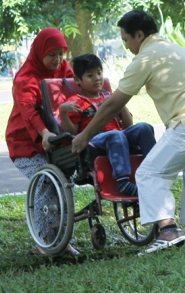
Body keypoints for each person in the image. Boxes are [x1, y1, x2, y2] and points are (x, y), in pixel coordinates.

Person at [71, 10, 185, 254]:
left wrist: (85, 135)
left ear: (139, 35)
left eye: (126, 40)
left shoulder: (146, 58)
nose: (126, 46)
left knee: (149, 173)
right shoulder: (176, 49)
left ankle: (168, 231)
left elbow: (113, 104)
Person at [5, 27, 77, 255]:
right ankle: (44, 240)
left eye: (61, 53)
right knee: (45, 181)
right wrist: (44, 133)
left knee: (65, 182)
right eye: (52, 55)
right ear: (39, 52)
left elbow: (74, 90)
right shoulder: (25, 78)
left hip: (57, 138)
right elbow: (28, 112)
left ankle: (63, 240)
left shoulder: (64, 69)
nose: (57, 60)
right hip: (25, 143)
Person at [59, 53, 156, 197]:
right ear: (77, 80)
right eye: (90, 75)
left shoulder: (109, 96)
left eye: (99, 73)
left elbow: (129, 125)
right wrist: (63, 113)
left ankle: (155, 171)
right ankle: (123, 182)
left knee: (144, 127)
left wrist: (118, 104)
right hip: (93, 140)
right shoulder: (76, 101)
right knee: (115, 135)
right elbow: (72, 133)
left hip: (119, 136)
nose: (97, 78)